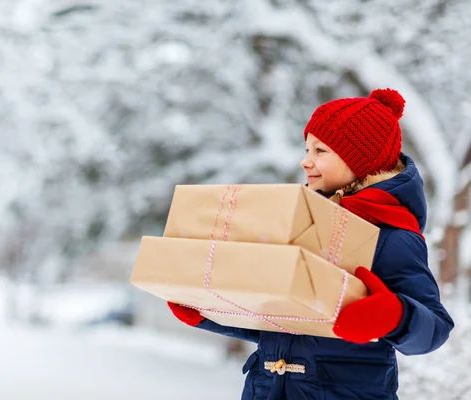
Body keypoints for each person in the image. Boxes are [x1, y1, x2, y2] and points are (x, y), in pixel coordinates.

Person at [167, 88, 454, 400]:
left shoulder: (392, 235)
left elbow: (435, 329)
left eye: (320, 151)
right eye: (306, 149)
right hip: (267, 389)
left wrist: (395, 316)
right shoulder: (301, 222)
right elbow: (276, 320)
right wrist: (208, 311)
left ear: (361, 160)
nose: (305, 161)